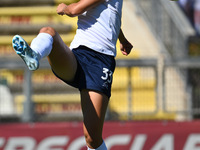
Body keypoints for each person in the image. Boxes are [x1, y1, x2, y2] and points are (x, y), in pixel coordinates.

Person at [12, 0, 133, 149]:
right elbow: (108, 12)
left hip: (99, 63)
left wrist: (64, 8)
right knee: (48, 32)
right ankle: (34, 55)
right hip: (77, 57)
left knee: (92, 138)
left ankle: (35, 54)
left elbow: (74, 10)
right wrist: (122, 38)